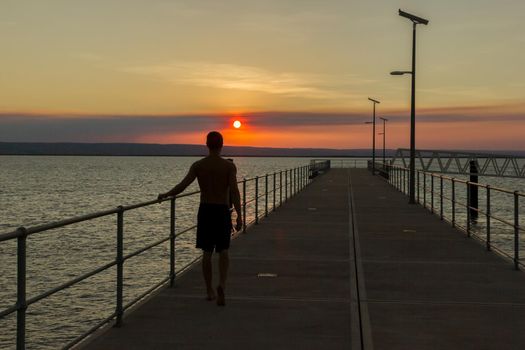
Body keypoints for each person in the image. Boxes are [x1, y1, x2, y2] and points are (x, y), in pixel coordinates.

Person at [158, 131, 242, 306]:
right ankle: (222, 286)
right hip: (221, 211)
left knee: (206, 252)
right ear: (222, 145)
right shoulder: (228, 167)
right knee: (224, 251)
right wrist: (240, 215)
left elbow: (183, 185)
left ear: (207, 145)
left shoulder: (198, 165)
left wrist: (166, 194)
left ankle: (209, 290)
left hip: (205, 210)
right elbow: (234, 192)